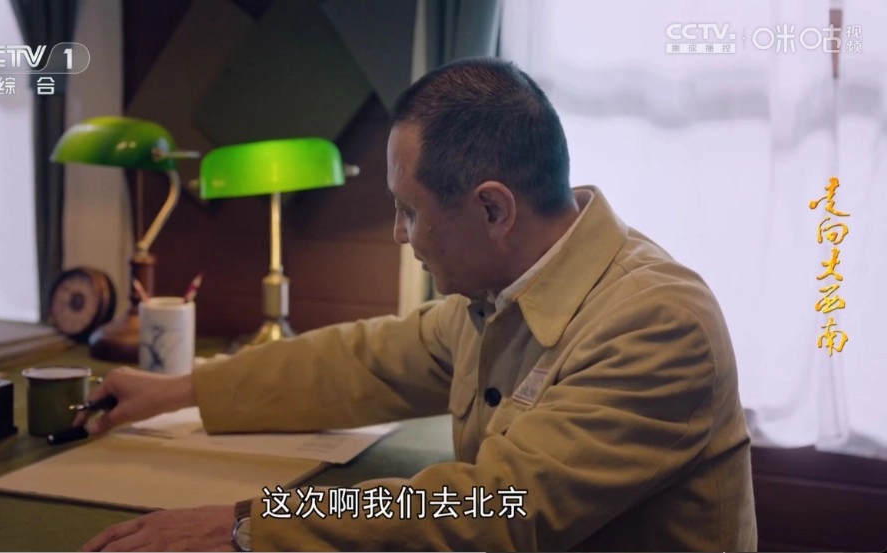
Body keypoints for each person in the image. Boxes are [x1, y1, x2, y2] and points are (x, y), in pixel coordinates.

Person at [77, 58, 757, 552]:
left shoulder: (657, 322)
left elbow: (493, 509)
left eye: (409, 211)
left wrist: (251, 524)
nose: (400, 235)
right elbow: (360, 362)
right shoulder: (498, 292)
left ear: (493, 209)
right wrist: (179, 390)